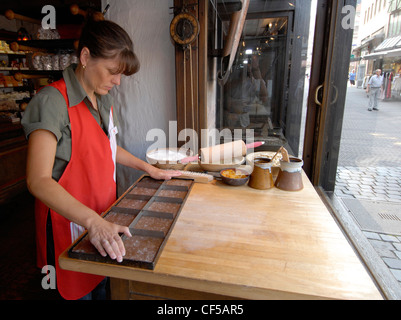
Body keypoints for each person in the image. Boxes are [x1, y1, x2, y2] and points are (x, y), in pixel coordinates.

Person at [21, 19, 181, 300]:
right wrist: (92, 222)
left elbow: (107, 148)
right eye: (112, 72)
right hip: (68, 223)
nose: (118, 81)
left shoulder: (102, 98)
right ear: (85, 57)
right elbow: (38, 180)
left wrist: (148, 168)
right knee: (75, 292)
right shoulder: (52, 102)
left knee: (103, 288)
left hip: (103, 216)